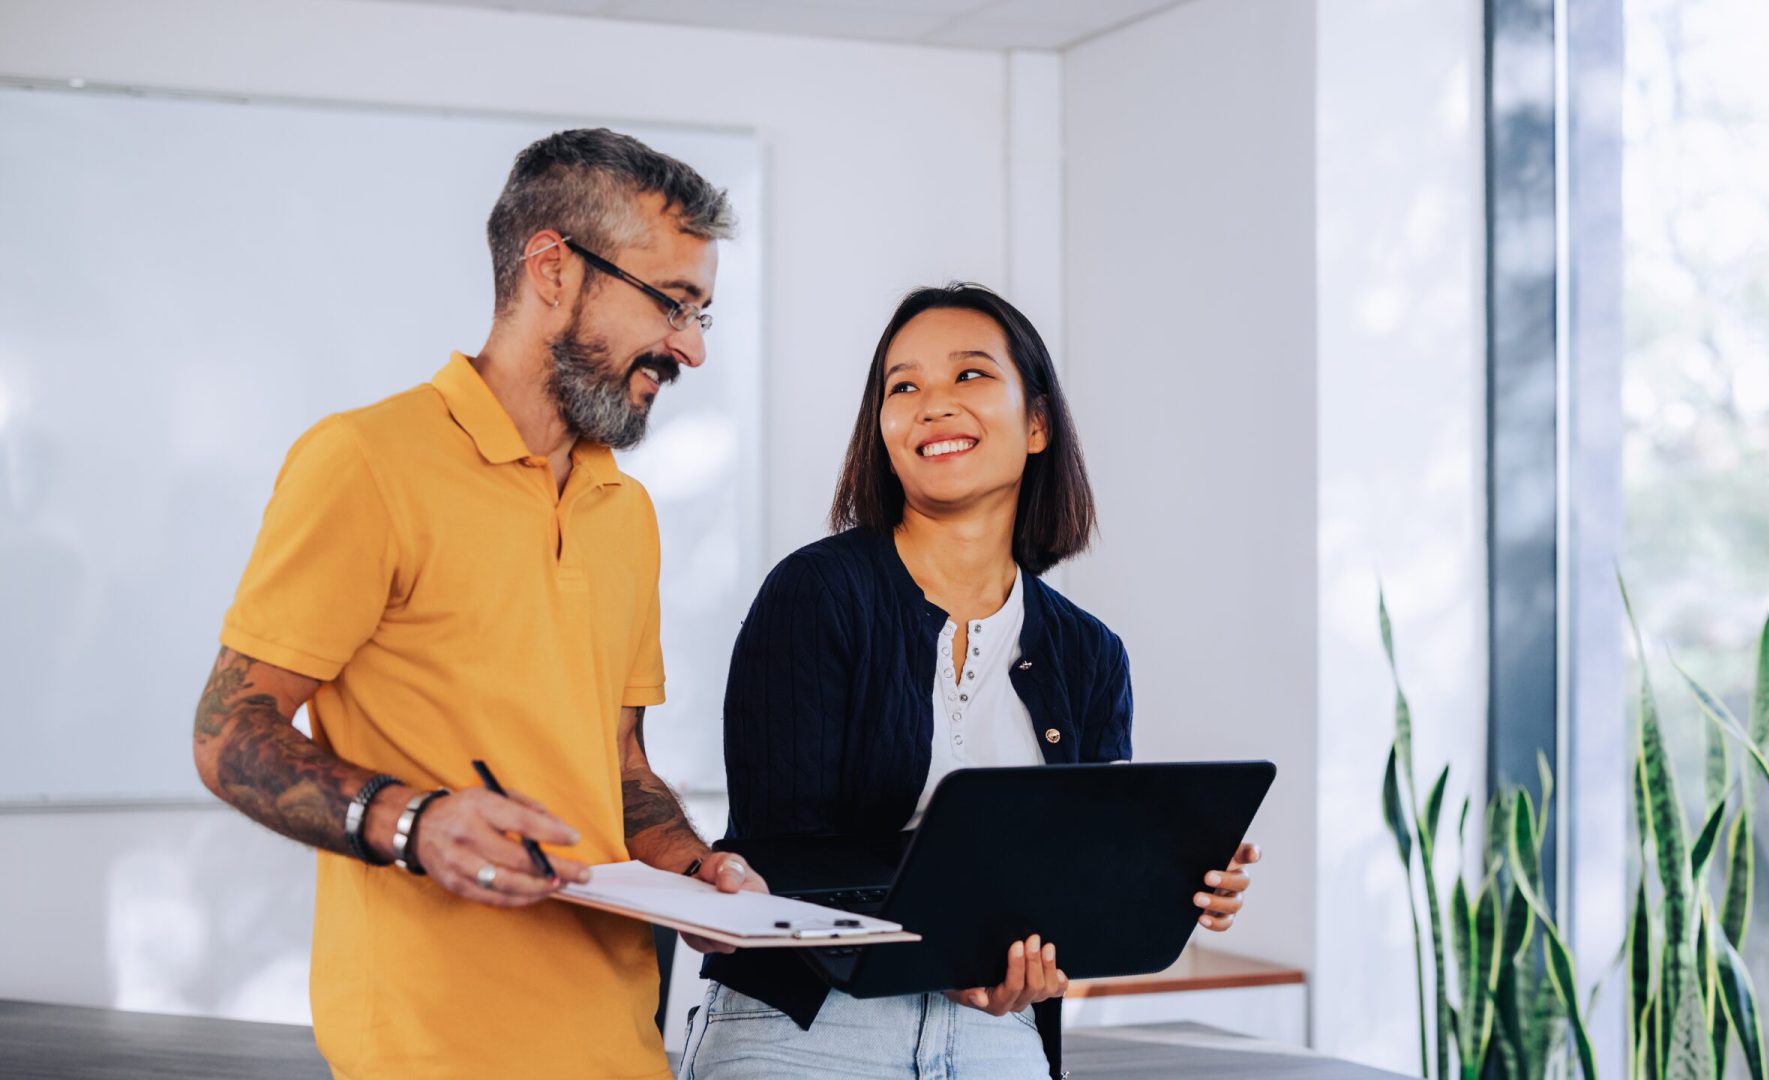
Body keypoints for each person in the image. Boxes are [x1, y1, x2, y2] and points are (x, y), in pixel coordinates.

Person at [191, 127, 765, 1080]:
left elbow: (616, 768)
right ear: (552, 269)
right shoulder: (366, 464)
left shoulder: (625, 509)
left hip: (619, 1042)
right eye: (673, 303)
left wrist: (697, 870)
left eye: (704, 312)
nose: (692, 348)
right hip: (430, 1050)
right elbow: (228, 731)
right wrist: (411, 822)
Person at [680, 284, 1260, 1079]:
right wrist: (961, 934)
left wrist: (1165, 881)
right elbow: (787, 858)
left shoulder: (1091, 654)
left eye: (971, 376)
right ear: (882, 429)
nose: (932, 405)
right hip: (809, 1027)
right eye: (904, 386)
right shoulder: (815, 596)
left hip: (1000, 1034)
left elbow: (1076, 879)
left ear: (1036, 424)